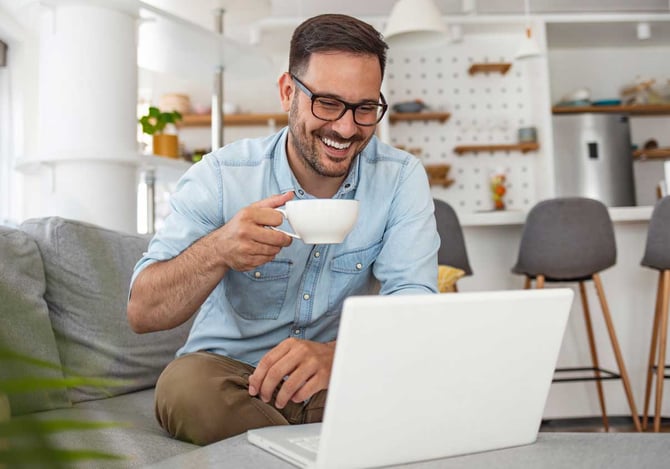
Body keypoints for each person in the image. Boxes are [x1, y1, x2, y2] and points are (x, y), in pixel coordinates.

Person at [127, 13, 440, 445]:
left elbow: (414, 303)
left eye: (365, 109)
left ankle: (286, 445)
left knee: (431, 385)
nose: (346, 128)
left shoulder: (401, 178)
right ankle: (324, 442)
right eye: (327, 103)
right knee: (185, 390)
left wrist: (338, 355)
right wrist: (218, 250)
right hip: (231, 376)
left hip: (337, 374)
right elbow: (143, 312)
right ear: (287, 92)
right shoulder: (221, 175)